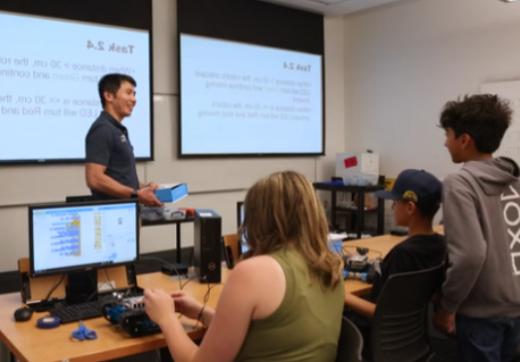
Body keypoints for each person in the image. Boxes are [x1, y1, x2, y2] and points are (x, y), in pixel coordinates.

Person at [144, 171, 345, 362]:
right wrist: (200, 312)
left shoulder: (255, 272)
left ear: (259, 218)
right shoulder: (330, 265)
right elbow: (268, 334)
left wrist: (166, 318)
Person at [433, 94, 520, 362]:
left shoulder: (459, 183)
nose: (446, 142)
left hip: (481, 315)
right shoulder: (513, 179)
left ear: (464, 139)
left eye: (448, 134)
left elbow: (470, 255)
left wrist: (448, 306)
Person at [344, 169, 447, 356]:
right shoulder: (441, 245)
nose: (392, 208)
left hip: (377, 341)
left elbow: (381, 313)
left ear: (410, 208)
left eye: (394, 203)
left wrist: (342, 294)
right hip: (415, 341)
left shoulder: (403, 254)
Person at [85, 73, 161, 207]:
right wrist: (137, 194)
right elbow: (94, 179)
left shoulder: (117, 129)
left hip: (128, 212)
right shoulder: (103, 129)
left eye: (134, 94)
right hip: (113, 215)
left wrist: (142, 188)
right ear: (108, 96)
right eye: (128, 93)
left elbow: (119, 176)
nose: (134, 99)